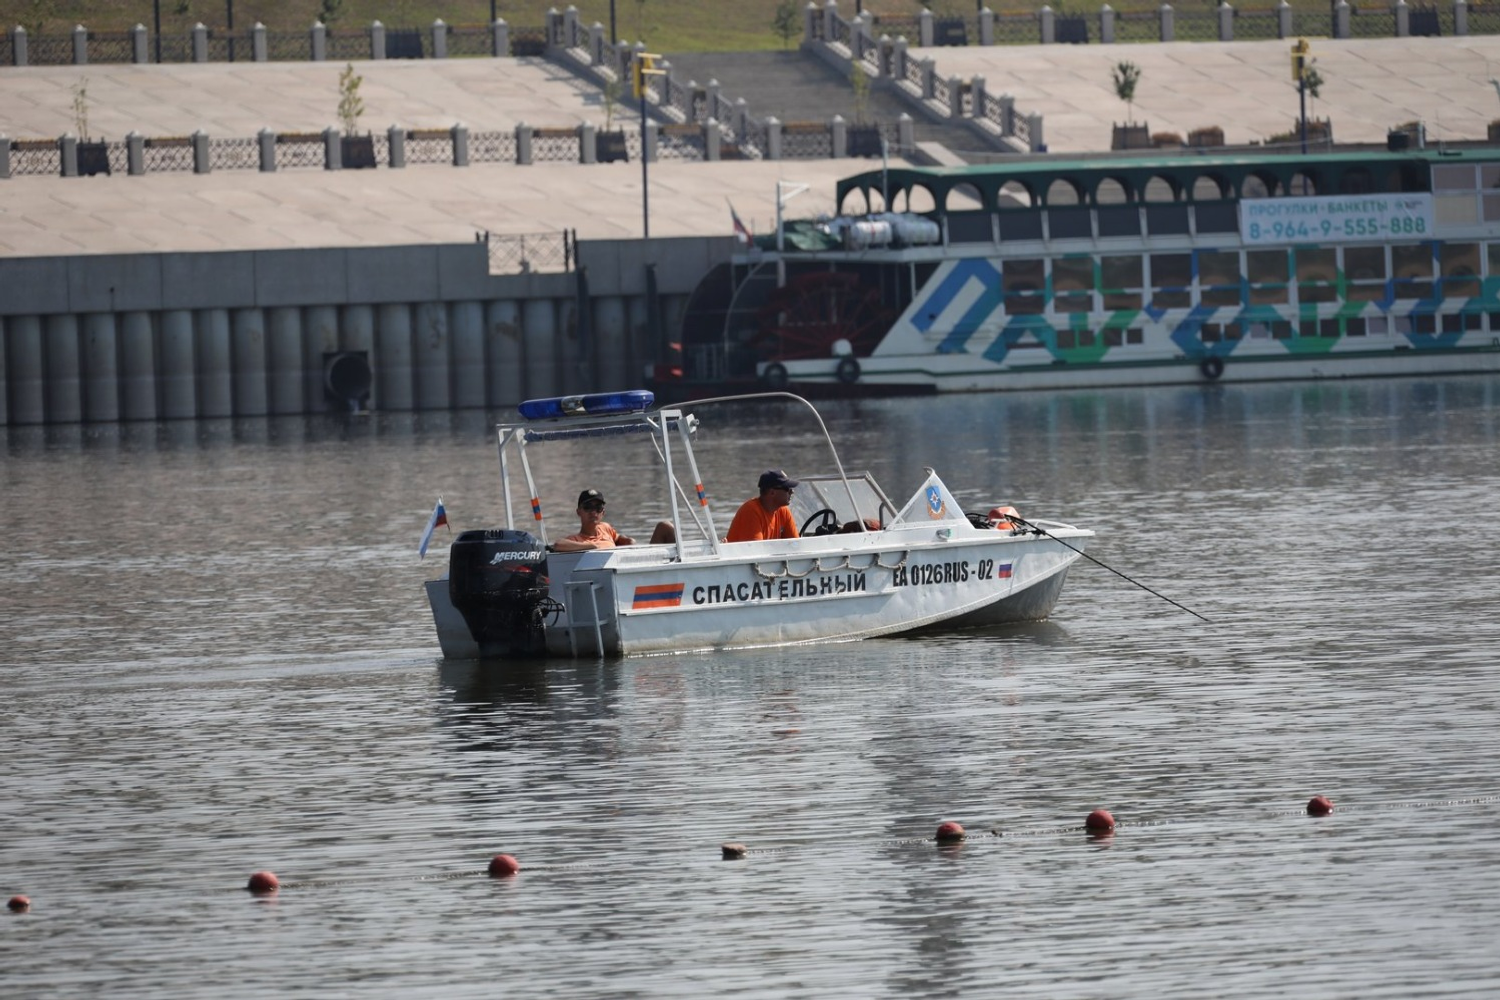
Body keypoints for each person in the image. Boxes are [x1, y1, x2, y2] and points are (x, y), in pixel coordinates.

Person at [551, 489, 674, 552]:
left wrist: (628, 541)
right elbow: (558, 545)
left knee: (665, 526)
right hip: (610, 576)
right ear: (579, 512)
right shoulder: (576, 540)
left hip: (628, 564)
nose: (593, 512)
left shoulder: (605, 528)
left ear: (603, 513)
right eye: (588, 508)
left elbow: (619, 538)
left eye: (597, 508)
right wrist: (591, 546)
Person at [726, 470, 800, 543]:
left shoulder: (784, 511)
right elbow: (755, 551)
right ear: (772, 492)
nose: (792, 491)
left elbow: (796, 545)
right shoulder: (751, 511)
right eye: (787, 488)